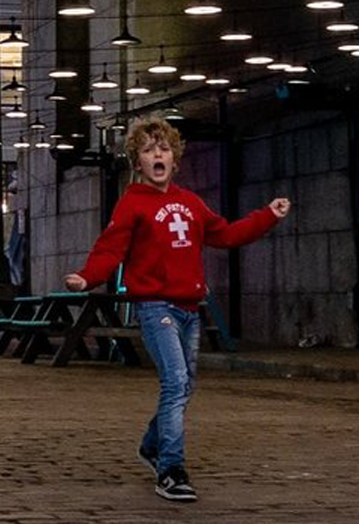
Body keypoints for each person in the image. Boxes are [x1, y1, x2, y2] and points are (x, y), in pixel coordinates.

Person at [63, 121, 288, 504]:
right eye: (149, 150)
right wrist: (87, 278)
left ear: (175, 159)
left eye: (164, 149)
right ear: (137, 161)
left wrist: (267, 215)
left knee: (185, 386)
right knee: (175, 382)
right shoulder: (132, 203)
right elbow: (110, 249)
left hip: (188, 309)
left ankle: (151, 447)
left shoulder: (191, 202)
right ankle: (171, 469)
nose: (158, 156)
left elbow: (227, 234)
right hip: (154, 307)